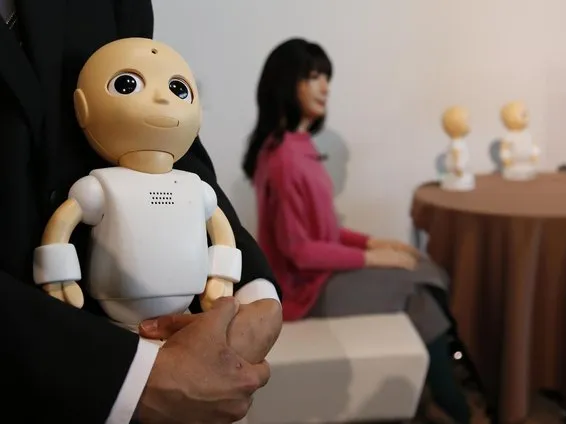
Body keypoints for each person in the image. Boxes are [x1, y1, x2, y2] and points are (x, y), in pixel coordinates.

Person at [1, 1, 282, 423]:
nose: (161, 100)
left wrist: (250, 292)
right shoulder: (95, 194)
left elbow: (171, 146)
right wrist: (128, 379)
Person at [242, 37, 471, 423]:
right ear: (286, 81)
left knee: (423, 270)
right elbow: (300, 250)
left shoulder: (298, 147)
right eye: (313, 76)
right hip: (304, 292)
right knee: (419, 290)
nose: (325, 87)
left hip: (318, 278)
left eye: (326, 77)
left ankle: (446, 384)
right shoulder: (283, 158)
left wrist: (376, 242)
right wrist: (372, 256)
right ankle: (455, 402)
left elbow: (326, 230)